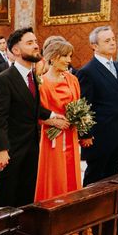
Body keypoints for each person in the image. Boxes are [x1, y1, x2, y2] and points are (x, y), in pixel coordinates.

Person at [0, 27, 68, 208]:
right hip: (13, 149)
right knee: (8, 198)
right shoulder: (4, 79)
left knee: (27, 196)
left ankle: (23, 233)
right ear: (16, 50)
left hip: (32, 147)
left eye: (35, 42)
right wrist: (2, 149)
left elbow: (31, 106)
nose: (36, 46)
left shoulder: (33, 76)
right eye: (30, 43)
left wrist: (51, 115)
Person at [78, 26, 118, 186]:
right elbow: (84, 107)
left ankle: (111, 209)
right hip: (100, 136)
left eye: (113, 39)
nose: (112, 43)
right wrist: (85, 135)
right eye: (107, 40)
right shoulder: (87, 72)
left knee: (115, 176)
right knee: (95, 177)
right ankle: (90, 209)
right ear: (95, 46)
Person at [35, 39, 82, 201]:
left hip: (70, 133)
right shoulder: (41, 83)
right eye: (65, 56)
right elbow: (36, 113)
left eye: (70, 56)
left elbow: (78, 104)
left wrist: (79, 118)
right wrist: (53, 121)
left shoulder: (72, 80)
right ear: (53, 57)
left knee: (72, 171)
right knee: (55, 173)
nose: (69, 60)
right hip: (52, 137)